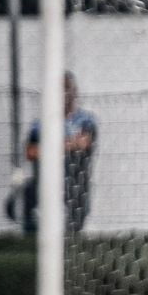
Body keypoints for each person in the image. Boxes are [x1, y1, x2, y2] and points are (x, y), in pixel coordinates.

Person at [21, 72, 97, 234]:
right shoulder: (40, 124)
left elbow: (84, 143)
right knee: (28, 194)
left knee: (73, 223)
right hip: (45, 180)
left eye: (66, 88)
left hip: (75, 180)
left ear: (74, 91)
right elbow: (31, 152)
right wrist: (69, 143)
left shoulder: (85, 119)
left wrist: (48, 147)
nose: (63, 93)